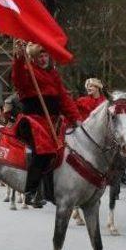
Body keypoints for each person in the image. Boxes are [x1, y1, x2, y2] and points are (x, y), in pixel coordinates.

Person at [12, 42, 81, 207]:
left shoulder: (54, 75)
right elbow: (18, 80)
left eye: (45, 56)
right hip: (33, 120)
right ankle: (30, 190)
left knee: (60, 153)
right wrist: (20, 59)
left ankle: (50, 192)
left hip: (53, 122)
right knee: (45, 151)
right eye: (39, 56)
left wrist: (76, 118)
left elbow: (64, 99)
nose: (43, 59)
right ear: (33, 58)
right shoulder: (28, 70)